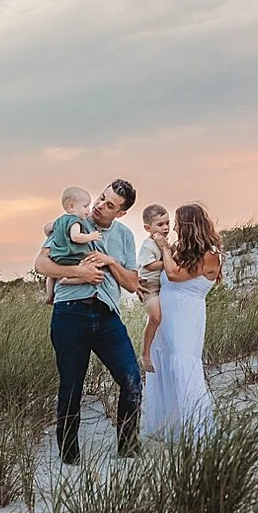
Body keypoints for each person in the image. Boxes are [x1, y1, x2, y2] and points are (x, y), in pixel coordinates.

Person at [32, 179, 143, 466]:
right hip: (70, 313)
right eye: (101, 197)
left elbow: (132, 284)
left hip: (107, 316)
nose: (99, 206)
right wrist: (78, 273)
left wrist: (110, 261)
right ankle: (70, 458)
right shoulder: (71, 222)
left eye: (109, 205)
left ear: (120, 213)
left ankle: (128, 449)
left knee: (132, 380)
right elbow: (41, 265)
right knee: (71, 387)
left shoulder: (124, 236)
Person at [141, 204, 223, 442]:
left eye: (177, 222)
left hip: (186, 317)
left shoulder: (211, 253)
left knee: (183, 365)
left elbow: (175, 274)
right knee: (164, 364)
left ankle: (198, 431)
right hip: (166, 318)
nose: (173, 227)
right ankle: (170, 428)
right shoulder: (184, 250)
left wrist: (166, 249)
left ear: (189, 225)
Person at [43, 186, 103, 304]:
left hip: (57, 256)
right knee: (90, 271)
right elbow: (76, 237)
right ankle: (68, 281)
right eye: (85, 206)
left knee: (51, 276)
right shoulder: (75, 221)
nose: (88, 210)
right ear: (71, 207)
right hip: (72, 256)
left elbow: (47, 229)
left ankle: (49, 295)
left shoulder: (59, 221)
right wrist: (91, 236)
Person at [137, 204, 170, 373]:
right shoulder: (148, 245)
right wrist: (169, 264)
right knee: (156, 317)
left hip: (162, 286)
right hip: (148, 287)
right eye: (160, 224)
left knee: (165, 319)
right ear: (147, 227)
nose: (165, 228)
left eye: (167, 223)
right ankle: (145, 352)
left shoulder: (164, 242)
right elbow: (149, 265)